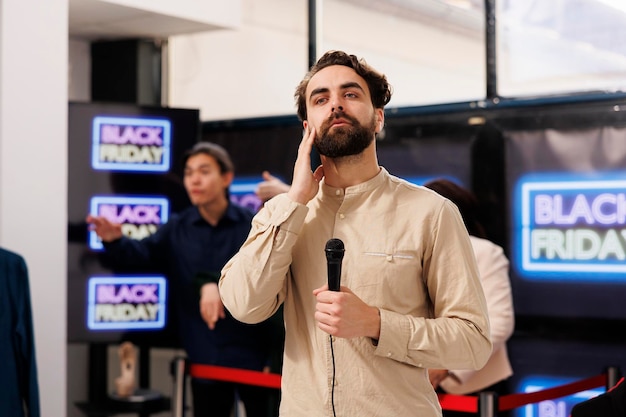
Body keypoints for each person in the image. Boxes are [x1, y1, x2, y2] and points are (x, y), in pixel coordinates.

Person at [219, 50, 492, 416]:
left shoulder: (431, 212)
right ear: (307, 128)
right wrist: (295, 200)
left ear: (378, 117)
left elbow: (472, 343)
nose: (335, 105)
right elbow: (244, 305)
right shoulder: (282, 215)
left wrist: (376, 323)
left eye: (350, 94)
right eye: (321, 99)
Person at [86, 142, 280, 417]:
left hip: (253, 356)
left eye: (204, 171)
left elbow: (267, 281)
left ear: (226, 177)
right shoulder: (176, 227)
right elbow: (140, 254)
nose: (194, 180)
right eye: (189, 173)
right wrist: (114, 240)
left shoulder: (252, 225)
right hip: (204, 354)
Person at [424, 178, 514, 417]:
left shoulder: (484, 252)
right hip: (417, 387)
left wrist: (447, 367)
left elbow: (499, 323)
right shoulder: (410, 249)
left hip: (475, 388)